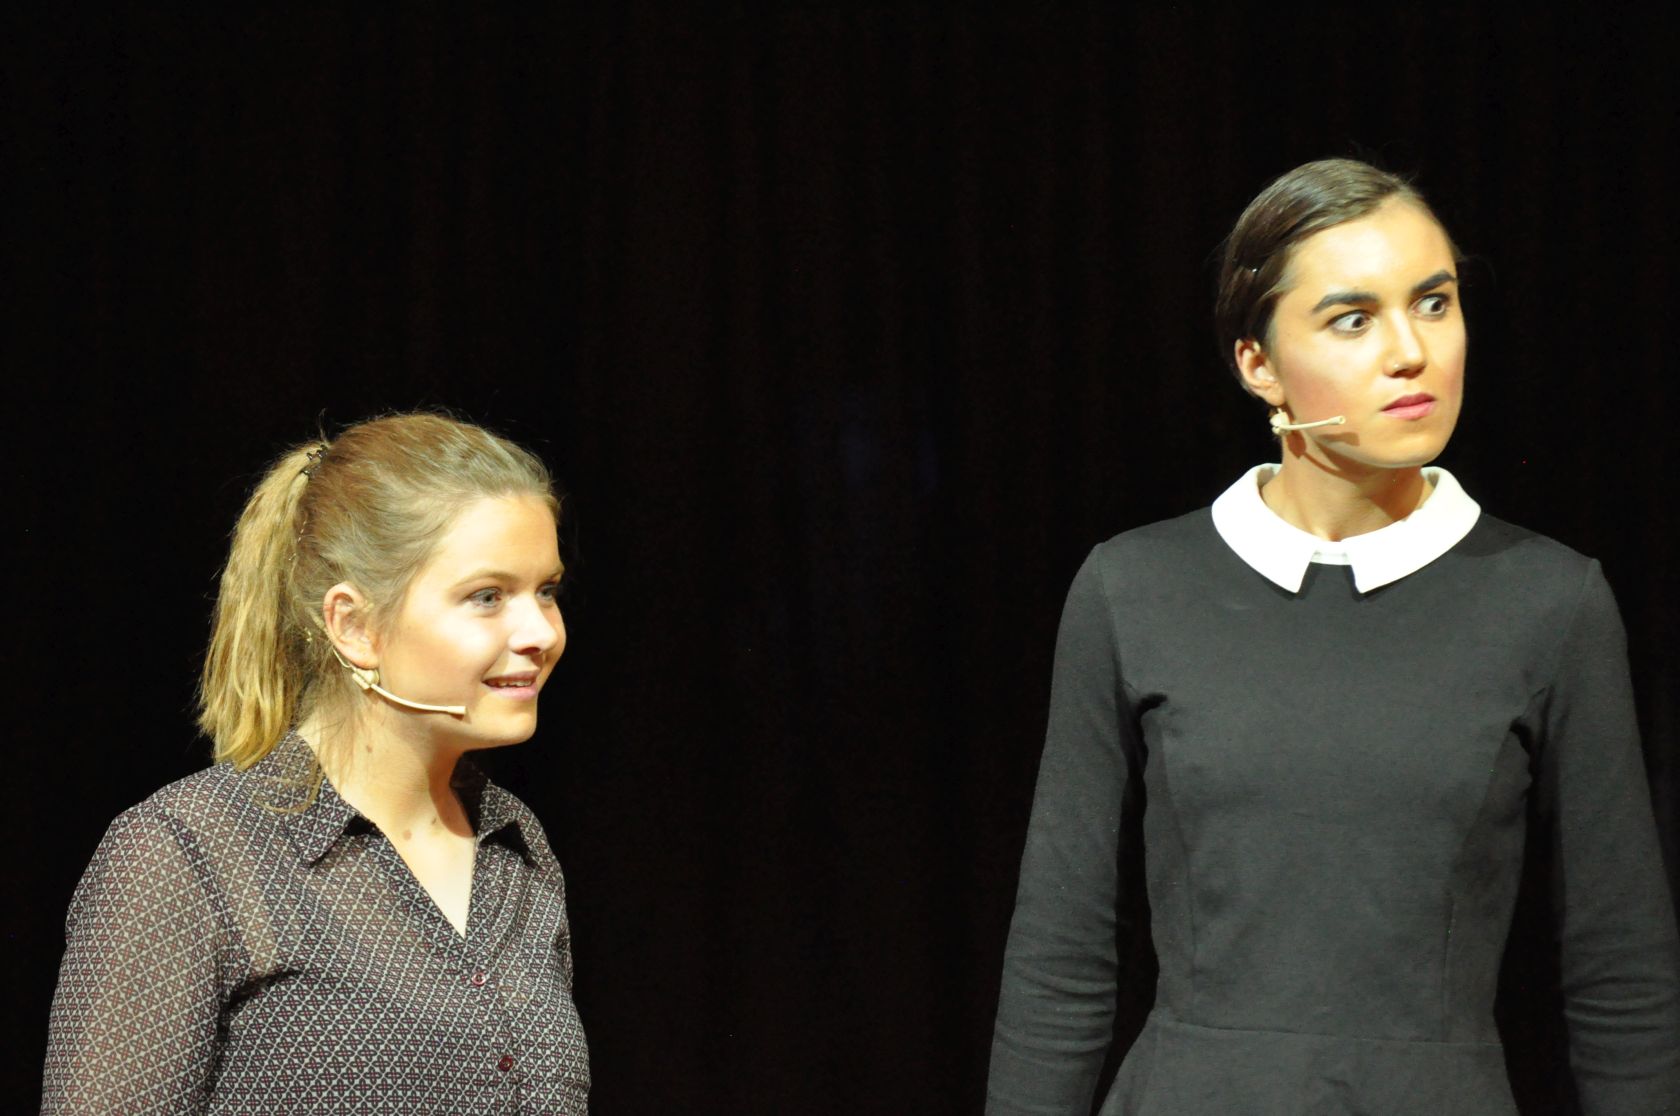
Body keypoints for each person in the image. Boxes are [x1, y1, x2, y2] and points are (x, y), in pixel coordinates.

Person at [986, 159, 1680, 1114]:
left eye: (1434, 303)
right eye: (1353, 319)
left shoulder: (1550, 603)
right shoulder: (1134, 588)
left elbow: (1621, 972)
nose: (1411, 351)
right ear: (1257, 364)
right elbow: (1060, 951)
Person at [42, 413, 590, 1114]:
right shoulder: (190, 854)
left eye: (546, 590)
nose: (540, 632)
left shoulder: (519, 851)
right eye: (487, 596)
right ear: (354, 627)